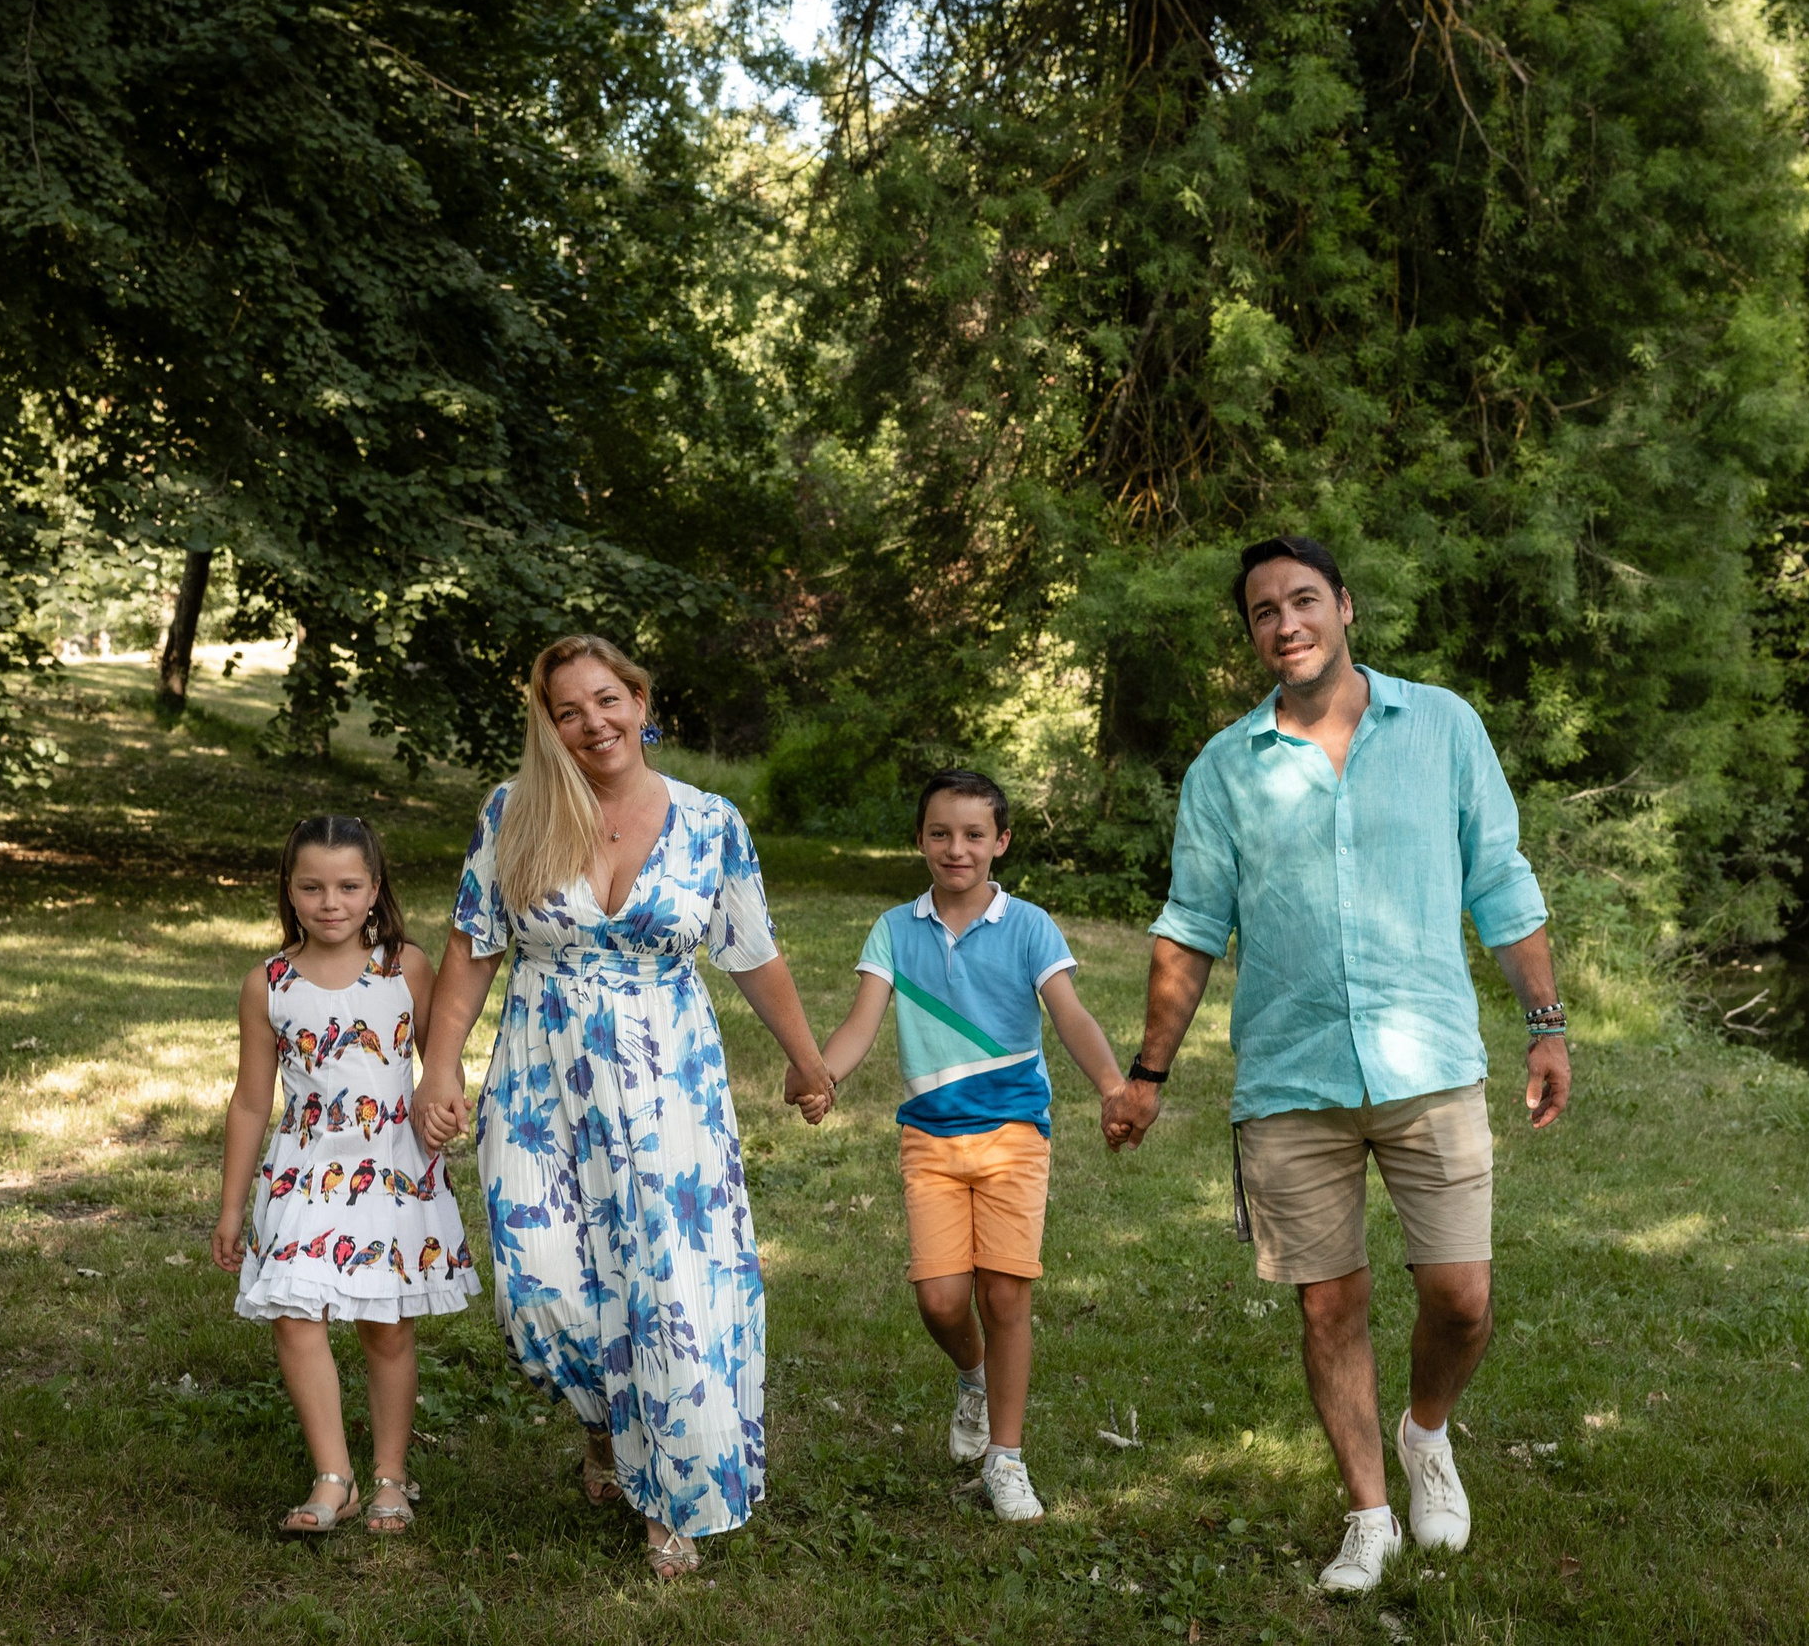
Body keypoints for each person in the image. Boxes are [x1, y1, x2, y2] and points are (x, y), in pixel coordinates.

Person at [1100, 535, 1572, 1596]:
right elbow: (1190, 927)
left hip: (1429, 1061)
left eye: (1303, 600)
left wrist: (1545, 1024)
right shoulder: (1225, 767)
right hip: (1291, 1073)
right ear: (1253, 633)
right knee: (1328, 1307)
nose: (1286, 624)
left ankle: (1426, 1431)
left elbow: (1499, 879)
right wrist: (1148, 1074)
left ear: (1345, 606)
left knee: (1461, 1297)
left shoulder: (1441, 725)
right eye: (1264, 611)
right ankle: (1368, 1516)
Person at [412, 634, 838, 1580]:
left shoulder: (710, 821)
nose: (593, 723)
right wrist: (439, 1069)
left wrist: (807, 1061)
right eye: (568, 711)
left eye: (607, 700)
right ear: (548, 725)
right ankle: (610, 1424)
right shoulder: (514, 811)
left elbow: (752, 950)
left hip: (668, 1079)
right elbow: (473, 947)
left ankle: (669, 1496)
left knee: (668, 1288)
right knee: (542, 1292)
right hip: (539, 1075)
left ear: (641, 701)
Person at [793, 770, 1132, 1523]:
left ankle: (1005, 1460)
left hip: (1014, 1133)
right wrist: (825, 1076)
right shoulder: (894, 929)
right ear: (919, 840)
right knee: (942, 1301)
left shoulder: (1030, 926)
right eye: (941, 833)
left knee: (1005, 1294)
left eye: (975, 835)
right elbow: (860, 1023)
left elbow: (1070, 1016)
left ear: (1000, 842)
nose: (957, 849)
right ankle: (973, 1376)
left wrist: (1112, 1085)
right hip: (931, 1137)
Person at [210, 814, 478, 1537]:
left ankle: (389, 1474)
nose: (331, 903)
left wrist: (446, 1106)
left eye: (348, 887)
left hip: (390, 1170)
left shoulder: (405, 968)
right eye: (313, 888)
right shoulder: (267, 984)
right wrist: (231, 1209)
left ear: (375, 888)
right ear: (289, 891)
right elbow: (250, 1101)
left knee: (385, 1327)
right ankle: (335, 1477)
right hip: (303, 1172)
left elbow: (441, 1064)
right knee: (295, 1315)